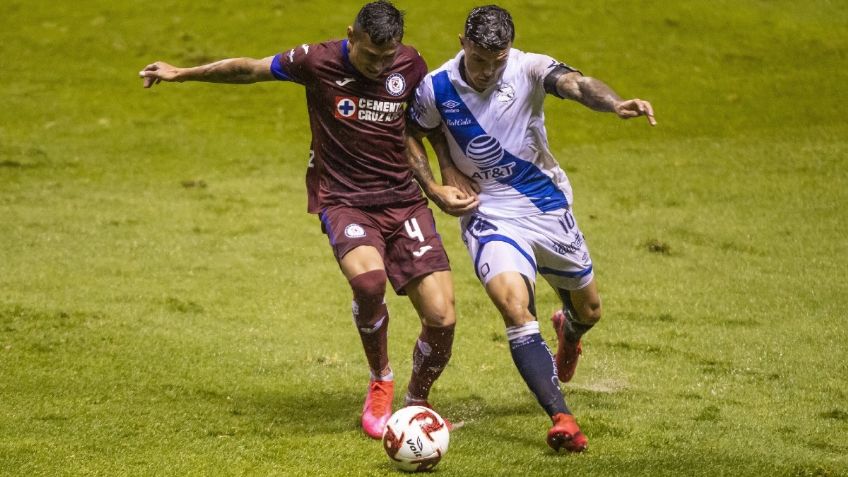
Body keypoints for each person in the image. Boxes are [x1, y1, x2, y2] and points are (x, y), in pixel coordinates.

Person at [139, 1, 476, 439]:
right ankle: (381, 380)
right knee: (369, 283)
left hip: (402, 202)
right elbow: (250, 69)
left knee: (442, 317)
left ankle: (417, 402)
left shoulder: (410, 65)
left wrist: (436, 184)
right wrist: (182, 73)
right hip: (344, 199)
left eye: (386, 57)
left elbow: (419, 127)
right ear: (350, 35)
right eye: (369, 54)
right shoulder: (316, 61)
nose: (378, 66)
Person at [406, 5, 655, 452]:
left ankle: (570, 333)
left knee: (590, 311)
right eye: (480, 60)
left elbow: (577, 84)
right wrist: (436, 183)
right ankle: (562, 418)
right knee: (514, 305)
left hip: (546, 205)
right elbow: (412, 131)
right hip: (488, 211)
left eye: (496, 61)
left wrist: (615, 103)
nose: (487, 71)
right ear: (462, 43)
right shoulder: (436, 86)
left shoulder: (528, 67)